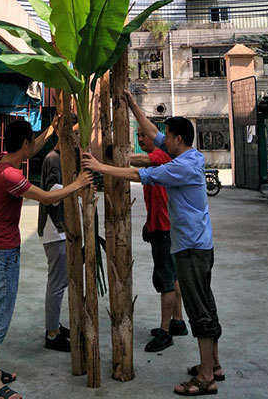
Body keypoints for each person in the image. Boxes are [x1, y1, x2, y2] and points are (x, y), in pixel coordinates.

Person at [82, 92, 223, 397]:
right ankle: (214, 365)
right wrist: (133, 105)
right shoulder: (187, 155)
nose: (163, 140)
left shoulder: (180, 167)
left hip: (191, 247)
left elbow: (137, 173)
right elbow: (152, 132)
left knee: (199, 309)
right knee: (206, 303)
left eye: (169, 137)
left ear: (179, 139)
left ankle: (206, 377)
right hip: (199, 244)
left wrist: (100, 167)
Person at [0, 116, 91, 399]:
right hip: (3, 253)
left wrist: (53, 127)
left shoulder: (2, 160)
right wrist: (78, 183)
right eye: (32, 142)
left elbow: (34, 146)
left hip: (0, 249)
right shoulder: (11, 177)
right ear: (25, 144)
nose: (35, 146)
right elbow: (46, 197)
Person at [130, 126, 188, 352]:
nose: (140, 138)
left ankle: (165, 332)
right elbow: (155, 199)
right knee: (172, 276)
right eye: (138, 136)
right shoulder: (160, 157)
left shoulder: (160, 156)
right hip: (161, 226)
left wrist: (116, 156)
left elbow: (142, 162)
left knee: (165, 281)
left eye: (143, 135)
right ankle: (178, 321)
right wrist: (148, 223)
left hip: (165, 229)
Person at [37, 137, 71, 351]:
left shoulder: (62, 158)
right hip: (54, 230)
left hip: (59, 229)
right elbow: (52, 194)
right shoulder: (53, 159)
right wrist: (75, 187)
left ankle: (54, 325)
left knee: (59, 282)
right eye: (74, 135)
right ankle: (52, 333)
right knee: (57, 284)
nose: (76, 139)